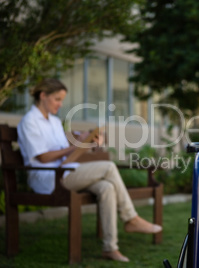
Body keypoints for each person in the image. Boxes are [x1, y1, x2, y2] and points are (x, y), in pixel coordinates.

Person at [17, 78, 162, 262]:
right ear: (43, 96)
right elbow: (43, 157)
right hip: (48, 179)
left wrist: (86, 140)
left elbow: (64, 148)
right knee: (109, 167)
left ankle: (110, 248)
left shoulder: (53, 121)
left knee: (106, 188)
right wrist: (75, 145)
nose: (60, 105)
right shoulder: (29, 121)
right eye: (57, 99)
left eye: (62, 100)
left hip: (66, 172)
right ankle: (130, 218)